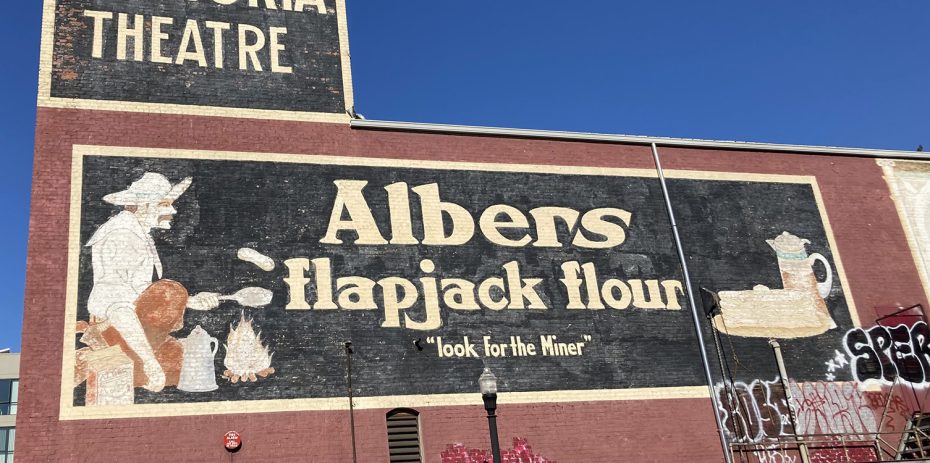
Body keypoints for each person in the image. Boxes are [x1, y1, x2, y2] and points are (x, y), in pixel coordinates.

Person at [85, 172, 220, 392]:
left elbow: (138, 296)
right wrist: (151, 363)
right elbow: (120, 309)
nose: (173, 210)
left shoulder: (136, 232)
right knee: (170, 290)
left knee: (185, 365)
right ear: (143, 206)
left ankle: (136, 372)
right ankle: (135, 367)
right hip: (116, 334)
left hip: (132, 335)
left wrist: (191, 301)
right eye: (165, 204)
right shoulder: (122, 235)